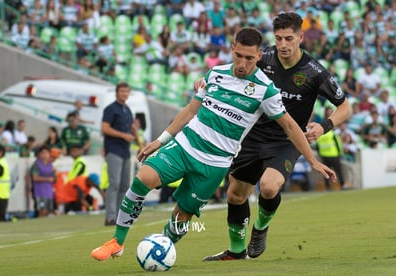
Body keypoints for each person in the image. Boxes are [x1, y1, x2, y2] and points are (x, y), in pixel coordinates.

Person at [90, 27, 337, 261]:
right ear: (232, 49)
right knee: (144, 178)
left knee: (182, 215)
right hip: (185, 147)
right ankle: (117, 241)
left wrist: (313, 161)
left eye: (249, 58)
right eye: (238, 55)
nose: (242, 63)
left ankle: (161, 249)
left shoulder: (265, 90)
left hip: (215, 163)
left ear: (259, 56)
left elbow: (290, 127)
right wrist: (160, 140)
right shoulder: (215, 74)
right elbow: (189, 111)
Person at [200, 12, 350, 261]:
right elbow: (238, 69)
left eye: (288, 38)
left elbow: (345, 106)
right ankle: (236, 251)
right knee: (235, 194)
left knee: (268, 187)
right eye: (278, 38)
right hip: (252, 133)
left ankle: (260, 228)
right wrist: (207, 81)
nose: (282, 44)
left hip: (287, 139)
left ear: (300, 37)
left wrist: (324, 126)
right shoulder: (264, 57)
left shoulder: (314, 72)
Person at [102, 82, 143, 226]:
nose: (124, 94)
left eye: (127, 91)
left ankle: (120, 217)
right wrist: (122, 135)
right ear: (116, 93)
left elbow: (132, 128)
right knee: (114, 183)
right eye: (122, 91)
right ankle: (110, 217)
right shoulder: (110, 109)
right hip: (114, 149)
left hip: (125, 151)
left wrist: (140, 145)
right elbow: (105, 128)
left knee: (125, 185)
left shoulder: (127, 110)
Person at [29, 145, 56, 217]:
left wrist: (55, 174)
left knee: (48, 211)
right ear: (39, 154)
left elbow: (54, 179)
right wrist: (48, 179)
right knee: (42, 211)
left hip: (49, 191)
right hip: (39, 191)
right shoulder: (36, 165)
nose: (45, 155)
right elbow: (35, 178)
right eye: (43, 153)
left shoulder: (51, 165)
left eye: (47, 153)